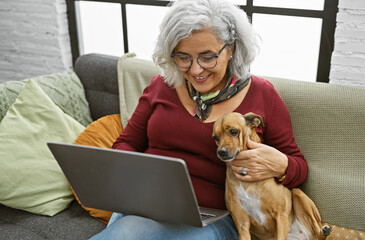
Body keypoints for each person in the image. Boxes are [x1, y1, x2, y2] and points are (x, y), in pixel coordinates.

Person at [90, 0, 307, 239]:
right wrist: (134, 175)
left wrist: (282, 165)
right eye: (183, 57)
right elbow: (126, 143)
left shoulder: (262, 94)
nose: (195, 70)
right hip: (148, 205)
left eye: (207, 57)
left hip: (214, 219)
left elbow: (299, 168)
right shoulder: (162, 86)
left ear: (231, 49)